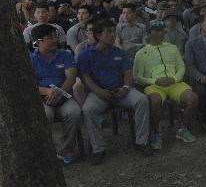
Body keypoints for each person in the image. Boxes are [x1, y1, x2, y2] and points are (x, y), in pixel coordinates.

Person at [78, 19, 151, 165]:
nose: (113, 35)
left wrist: (125, 88)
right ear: (98, 35)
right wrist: (99, 91)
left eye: (114, 31)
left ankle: (141, 142)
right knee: (88, 109)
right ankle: (98, 149)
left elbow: (128, 73)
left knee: (141, 100)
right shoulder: (86, 54)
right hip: (99, 92)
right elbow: (85, 78)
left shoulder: (119, 52)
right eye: (109, 32)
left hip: (120, 89)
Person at [133, 20, 198, 149]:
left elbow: (181, 66)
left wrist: (174, 79)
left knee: (193, 98)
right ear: (149, 33)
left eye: (162, 30)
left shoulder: (172, 48)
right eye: (156, 30)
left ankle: (183, 128)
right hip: (154, 84)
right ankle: (156, 132)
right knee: (155, 100)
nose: (160, 33)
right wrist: (154, 81)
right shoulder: (141, 53)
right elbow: (137, 76)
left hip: (174, 82)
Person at [30, 25, 82, 164]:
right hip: (42, 98)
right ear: (38, 41)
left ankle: (65, 150)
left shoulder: (65, 54)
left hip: (63, 94)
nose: (54, 40)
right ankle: (47, 151)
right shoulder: (31, 59)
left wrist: (59, 92)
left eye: (55, 36)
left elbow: (71, 77)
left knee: (74, 112)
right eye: (50, 38)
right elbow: (29, 84)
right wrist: (47, 91)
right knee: (45, 115)